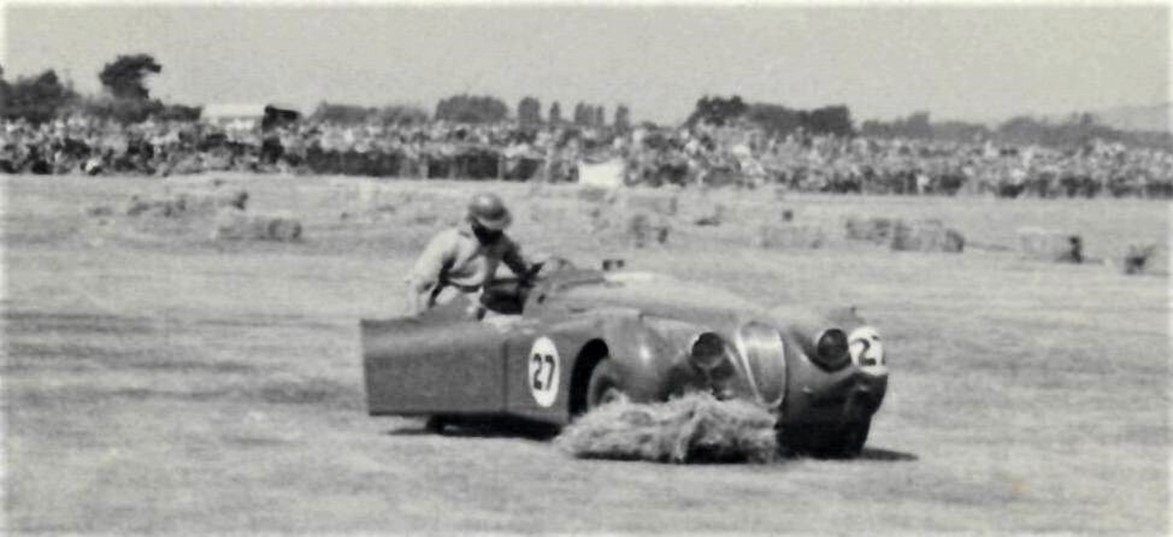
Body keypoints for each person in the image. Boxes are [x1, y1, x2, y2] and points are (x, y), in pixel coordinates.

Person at [405, 192, 536, 317]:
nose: (497, 232)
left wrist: (533, 272)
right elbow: (417, 282)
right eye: (491, 227)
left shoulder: (502, 241)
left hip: (482, 297)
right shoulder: (450, 241)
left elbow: (522, 269)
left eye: (499, 227)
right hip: (449, 299)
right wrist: (413, 312)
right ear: (474, 222)